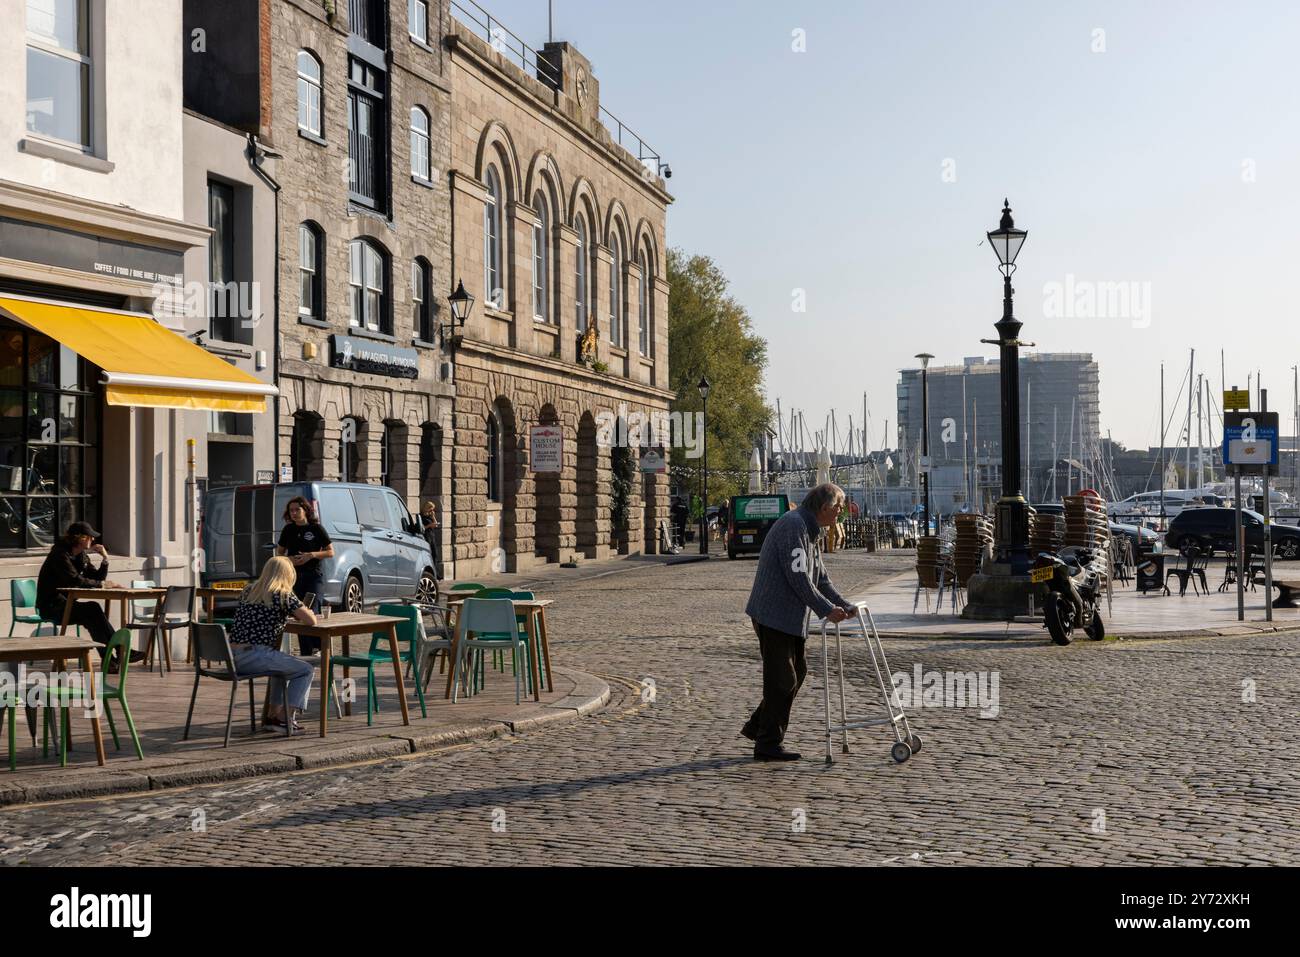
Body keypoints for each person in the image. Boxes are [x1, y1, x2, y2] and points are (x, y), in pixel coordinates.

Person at [741, 483, 855, 761]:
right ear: (825, 507)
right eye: (838, 508)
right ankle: (767, 743)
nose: (840, 514)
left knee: (797, 673)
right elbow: (799, 578)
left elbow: (821, 578)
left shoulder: (810, 530)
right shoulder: (795, 527)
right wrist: (827, 609)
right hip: (774, 615)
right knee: (782, 680)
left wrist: (843, 604)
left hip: (790, 619)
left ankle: (759, 726)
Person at [229, 556, 317, 732]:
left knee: (280, 669)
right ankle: (284, 719)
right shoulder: (283, 594)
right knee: (305, 670)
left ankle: (272, 716)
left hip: (232, 656)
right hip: (256, 655)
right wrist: (303, 609)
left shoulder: (248, 590)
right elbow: (311, 621)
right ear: (288, 574)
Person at [35, 521, 142, 664]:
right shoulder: (59, 555)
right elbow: (75, 580)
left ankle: (109, 660)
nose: (93, 540)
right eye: (91, 537)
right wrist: (103, 584)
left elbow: (96, 577)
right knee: (92, 609)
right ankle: (117, 651)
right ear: (81, 538)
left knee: (92, 615)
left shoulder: (81, 555)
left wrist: (105, 559)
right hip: (51, 607)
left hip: (66, 605)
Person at [276, 495, 333, 654]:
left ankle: (319, 647)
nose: (294, 513)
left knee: (311, 609)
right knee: (299, 613)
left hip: (314, 576)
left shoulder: (316, 529)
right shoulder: (288, 529)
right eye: (291, 511)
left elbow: (330, 552)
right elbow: (279, 554)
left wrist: (311, 555)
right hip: (294, 577)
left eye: (297, 510)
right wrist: (290, 560)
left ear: (306, 510)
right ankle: (306, 653)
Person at [420, 501, 442, 579]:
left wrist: (433, 517)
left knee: (435, 554)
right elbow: (422, 528)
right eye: (431, 509)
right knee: (430, 554)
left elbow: (435, 525)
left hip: (432, 536)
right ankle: (433, 574)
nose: (432, 511)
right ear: (427, 508)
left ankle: (436, 574)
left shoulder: (429, 516)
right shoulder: (422, 516)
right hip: (427, 536)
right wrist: (429, 525)